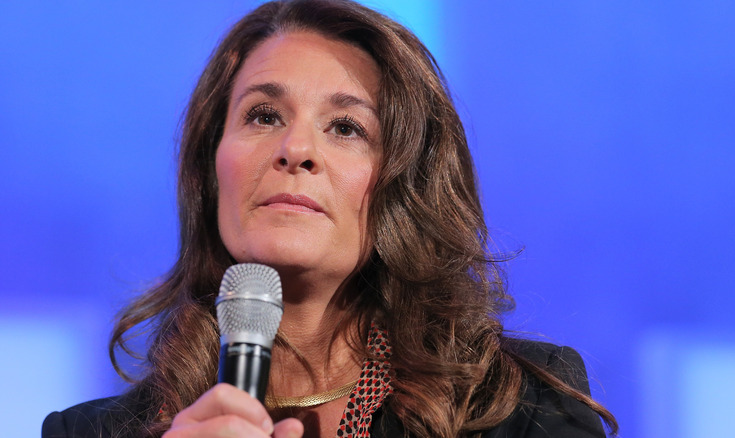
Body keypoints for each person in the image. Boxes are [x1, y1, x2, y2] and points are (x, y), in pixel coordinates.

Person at [42, 0, 618, 437]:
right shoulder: (89, 432)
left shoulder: (517, 406)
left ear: (403, 182)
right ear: (211, 165)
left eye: (346, 128)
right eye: (263, 116)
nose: (296, 149)